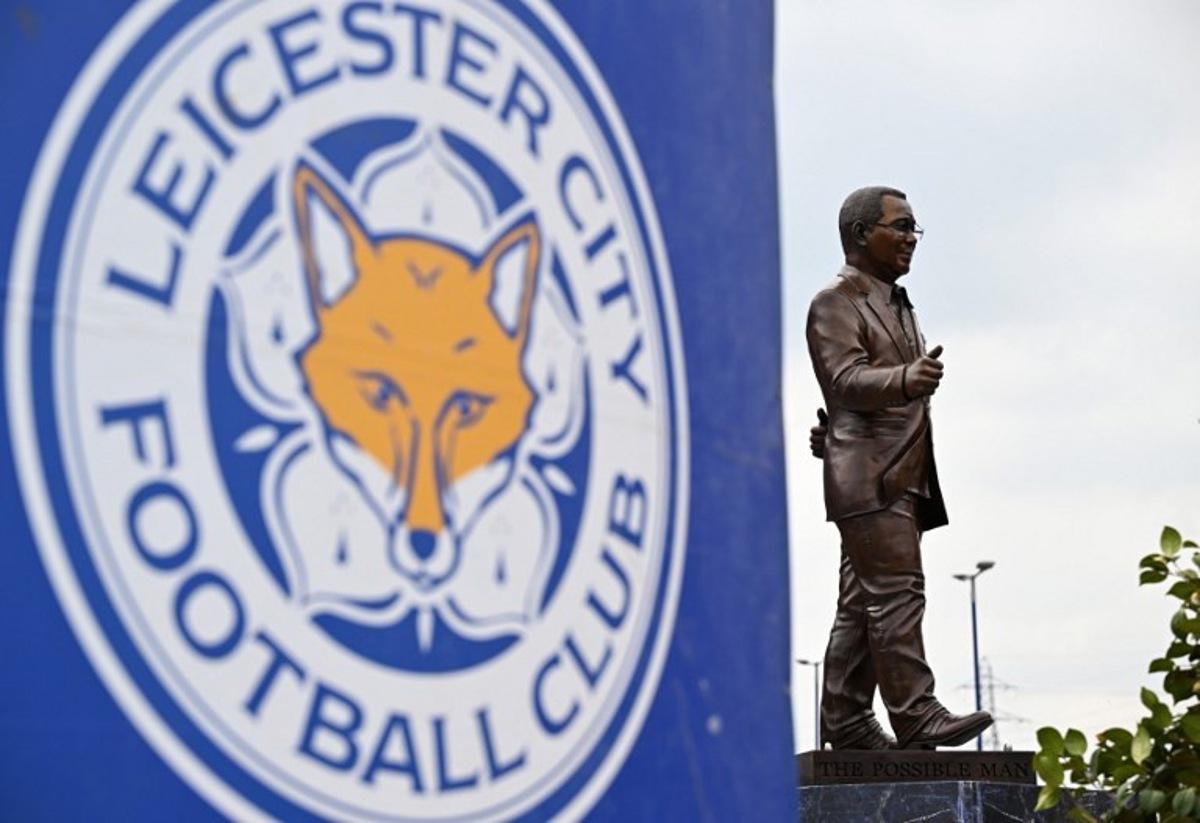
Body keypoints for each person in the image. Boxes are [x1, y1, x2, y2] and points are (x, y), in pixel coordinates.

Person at [805, 186, 993, 750]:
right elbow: (843, 380)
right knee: (897, 592)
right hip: (870, 476)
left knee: (863, 602)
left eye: (915, 229)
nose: (912, 238)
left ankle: (845, 719)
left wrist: (841, 425)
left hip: (901, 472)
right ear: (862, 234)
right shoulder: (834, 302)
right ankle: (915, 712)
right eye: (901, 226)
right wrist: (905, 380)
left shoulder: (897, 303)